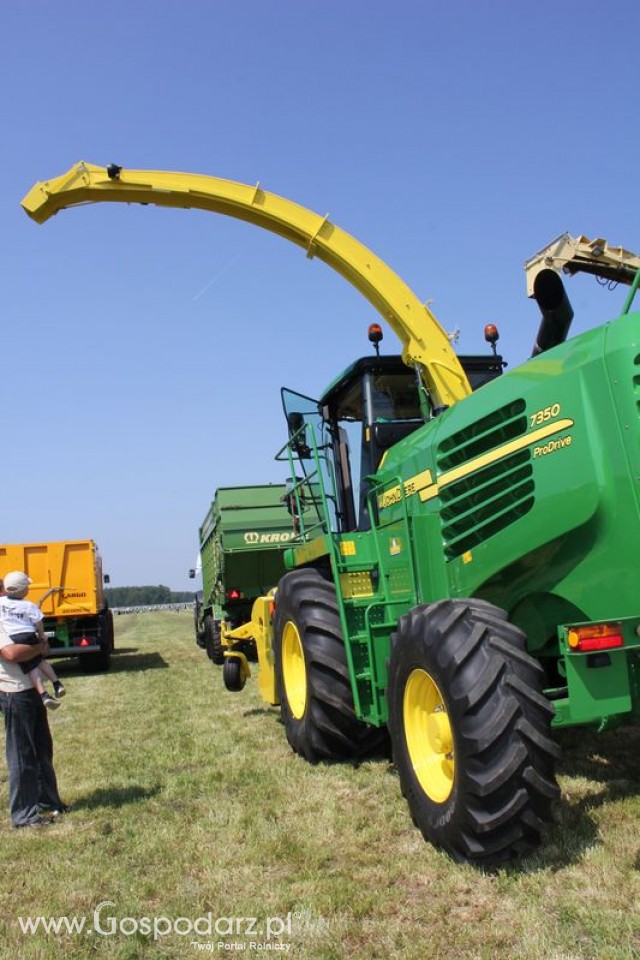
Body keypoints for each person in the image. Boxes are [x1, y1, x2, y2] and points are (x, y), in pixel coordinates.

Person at [0, 578, 67, 828]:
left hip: (31, 691)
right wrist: (39, 646)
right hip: (14, 693)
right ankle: (24, 815)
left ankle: (48, 801)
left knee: (42, 749)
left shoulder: (12, 612)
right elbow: (11, 654)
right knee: (21, 755)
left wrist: (37, 645)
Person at [0, 571, 66, 710]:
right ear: (24, 590)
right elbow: (39, 622)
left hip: (14, 637)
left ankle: (43, 694)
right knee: (40, 660)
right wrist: (42, 635)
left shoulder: (1, 602)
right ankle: (56, 683)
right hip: (29, 635)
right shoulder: (29, 605)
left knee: (31, 667)